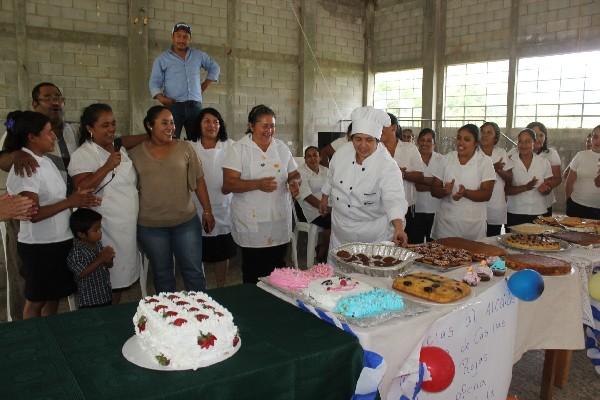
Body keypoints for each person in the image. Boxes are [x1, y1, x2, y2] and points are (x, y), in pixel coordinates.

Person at [4, 111, 100, 319]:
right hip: (40, 246)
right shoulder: (25, 167)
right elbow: (32, 213)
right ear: (32, 137)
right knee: (36, 300)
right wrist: (70, 202)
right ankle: (34, 341)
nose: (54, 137)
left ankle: (52, 336)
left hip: (59, 240)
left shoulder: (43, 160)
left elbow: (54, 198)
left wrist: (77, 197)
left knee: (53, 296)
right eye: (48, 133)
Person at [129, 105, 215, 293]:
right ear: (149, 126)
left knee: (193, 272)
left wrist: (207, 211)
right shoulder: (134, 154)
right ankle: (167, 317)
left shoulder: (185, 148)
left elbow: (199, 181)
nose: (171, 127)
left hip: (185, 222)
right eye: (164, 123)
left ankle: (202, 313)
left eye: (172, 123)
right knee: (162, 274)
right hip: (151, 226)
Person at [68, 104, 141, 303]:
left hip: (126, 225)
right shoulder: (83, 154)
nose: (111, 129)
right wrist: (107, 166)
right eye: (105, 125)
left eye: (113, 124)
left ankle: (114, 306)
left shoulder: (119, 148)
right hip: (105, 226)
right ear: (90, 128)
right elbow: (82, 187)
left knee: (124, 273)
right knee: (108, 276)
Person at [222, 105, 300, 284]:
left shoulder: (280, 147)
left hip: (279, 218)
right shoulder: (238, 149)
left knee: (278, 268)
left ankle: (276, 305)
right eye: (264, 126)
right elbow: (228, 183)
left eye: (272, 125)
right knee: (253, 270)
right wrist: (257, 184)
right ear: (251, 125)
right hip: (252, 222)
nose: (269, 130)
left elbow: (294, 173)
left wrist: (294, 182)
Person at [319, 106, 408, 258]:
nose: (362, 145)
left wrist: (399, 228)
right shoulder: (341, 153)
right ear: (351, 138)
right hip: (341, 232)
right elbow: (331, 176)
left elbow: (394, 198)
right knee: (338, 277)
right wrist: (324, 198)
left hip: (372, 236)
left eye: (369, 140)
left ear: (377, 140)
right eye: (358, 139)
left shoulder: (387, 165)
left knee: (368, 277)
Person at [149, 22, 220, 140]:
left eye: (185, 37)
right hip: (174, 106)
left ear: (190, 39)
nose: (181, 40)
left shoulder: (198, 55)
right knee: (170, 140)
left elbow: (215, 67)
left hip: (195, 107)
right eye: (178, 36)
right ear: (172, 37)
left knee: (196, 140)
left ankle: (194, 159)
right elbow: (154, 82)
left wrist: (205, 84)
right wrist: (162, 99)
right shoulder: (162, 59)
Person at [190, 108, 236, 288]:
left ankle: (221, 285)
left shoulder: (230, 146)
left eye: (216, 121)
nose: (212, 125)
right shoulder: (190, 146)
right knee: (197, 249)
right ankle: (200, 287)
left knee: (221, 250)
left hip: (224, 206)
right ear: (199, 125)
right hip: (197, 206)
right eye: (207, 121)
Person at [431, 124, 495, 240]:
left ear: (476, 143)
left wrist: (465, 193)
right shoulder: (446, 159)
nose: (461, 142)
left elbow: (486, 194)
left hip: (473, 227)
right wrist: (444, 191)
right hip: (446, 225)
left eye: (467, 139)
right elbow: (434, 190)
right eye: (459, 138)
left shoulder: (485, 162)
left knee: (473, 257)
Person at [381, 113, 423, 244]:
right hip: (381, 209)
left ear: (393, 128)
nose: (378, 129)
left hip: (407, 208)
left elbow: (420, 176)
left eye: (382, 126)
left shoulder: (409, 148)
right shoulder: (376, 149)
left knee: (406, 247)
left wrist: (402, 174)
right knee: (385, 247)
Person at [508, 122, 561, 216]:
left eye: (541, 135)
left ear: (545, 137)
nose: (538, 138)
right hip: (517, 207)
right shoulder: (513, 154)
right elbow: (507, 182)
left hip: (542, 204)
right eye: (535, 135)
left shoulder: (550, 154)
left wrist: (546, 186)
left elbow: (557, 178)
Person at [67, 208, 115, 309]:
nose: (100, 232)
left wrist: (108, 259)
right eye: (96, 230)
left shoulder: (97, 244)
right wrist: (101, 258)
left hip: (104, 294)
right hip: (89, 301)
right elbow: (81, 273)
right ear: (81, 234)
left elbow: (107, 265)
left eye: (100, 228)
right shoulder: (76, 251)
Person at [505, 129, 554, 228]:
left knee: (535, 242)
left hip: (538, 211)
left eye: (527, 141)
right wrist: (526, 187)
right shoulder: (510, 161)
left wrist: (545, 189)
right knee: (513, 241)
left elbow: (548, 188)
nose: (523, 145)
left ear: (534, 143)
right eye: (520, 141)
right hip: (515, 212)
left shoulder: (544, 162)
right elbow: (506, 190)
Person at [295, 146, 330, 261]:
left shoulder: (326, 171)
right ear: (305, 159)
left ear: (320, 157)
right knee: (333, 223)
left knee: (343, 220)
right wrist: (324, 207)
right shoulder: (300, 172)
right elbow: (307, 196)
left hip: (327, 208)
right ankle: (323, 253)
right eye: (309, 156)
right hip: (310, 211)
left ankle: (324, 249)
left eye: (315, 155)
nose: (312, 158)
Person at [479, 122, 513, 236]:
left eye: (489, 132)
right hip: (476, 204)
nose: (485, 135)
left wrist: (499, 170)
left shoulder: (501, 152)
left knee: (492, 240)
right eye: (483, 132)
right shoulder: (474, 152)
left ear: (496, 137)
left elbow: (510, 178)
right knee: (476, 240)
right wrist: (493, 168)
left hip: (496, 205)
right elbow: (470, 175)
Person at [414, 128, 443, 243]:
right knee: (416, 243)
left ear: (434, 143)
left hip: (436, 209)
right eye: (422, 140)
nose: (425, 143)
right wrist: (434, 183)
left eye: (429, 141)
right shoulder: (412, 158)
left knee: (434, 244)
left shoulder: (442, 159)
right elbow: (413, 183)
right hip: (416, 210)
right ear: (418, 141)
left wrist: (421, 181)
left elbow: (443, 182)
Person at [564, 125, 600, 219]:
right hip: (576, 206)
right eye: (595, 137)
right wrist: (568, 201)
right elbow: (569, 182)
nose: (598, 141)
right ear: (591, 138)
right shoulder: (580, 155)